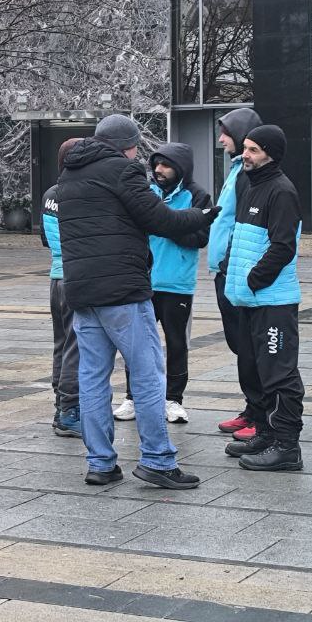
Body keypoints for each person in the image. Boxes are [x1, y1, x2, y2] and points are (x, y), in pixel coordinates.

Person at [56, 115, 218, 490]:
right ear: (127, 145)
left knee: (93, 378)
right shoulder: (123, 171)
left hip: (82, 291)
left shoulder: (69, 175)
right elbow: (158, 218)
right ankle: (158, 460)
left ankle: (100, 463)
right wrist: (202, 214)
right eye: (135, 147)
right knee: (148, 374)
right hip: (123, 291)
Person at [222, 125, 305, 472]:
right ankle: (267, 433)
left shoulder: (281, 191)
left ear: (271, 153)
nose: (246, 154)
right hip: (251, 300)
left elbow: (283, 246)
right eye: (245, 148)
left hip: (272, 300)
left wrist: (254, 279)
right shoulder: (252, 186)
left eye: (254, 150)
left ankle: (287, 446)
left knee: (279, 374)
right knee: (257, 369)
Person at [111, 143, 212, 425]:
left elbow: (200, 237)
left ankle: (173, 400)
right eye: (155, 165)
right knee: (135, 344)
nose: (158, 171)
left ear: (180, 168)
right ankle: (132, 397)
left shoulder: (198, 196)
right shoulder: (146, 192)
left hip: (177, 285)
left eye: (165, 165)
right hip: (142, 282)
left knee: (177, 343)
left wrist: (168, 224)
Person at [208, 108, 265, 440]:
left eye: (226, 132)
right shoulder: (235, 170)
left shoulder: (244, 175)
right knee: (239, 344)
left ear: (243, 134)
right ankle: (252, 408)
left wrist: (231, 264)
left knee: (247, 345)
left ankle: (260, 413)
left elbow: (243, 223)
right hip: (223, 271)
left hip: (233, 272)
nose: (220, 139)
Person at [42, 138, 82, 438]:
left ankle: (60, 403)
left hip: (56, 276)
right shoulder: (76, 193)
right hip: (74, 275)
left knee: (61, 342)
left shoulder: (51, 193)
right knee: (75, 345)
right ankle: (69, 409)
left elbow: (47, 239)